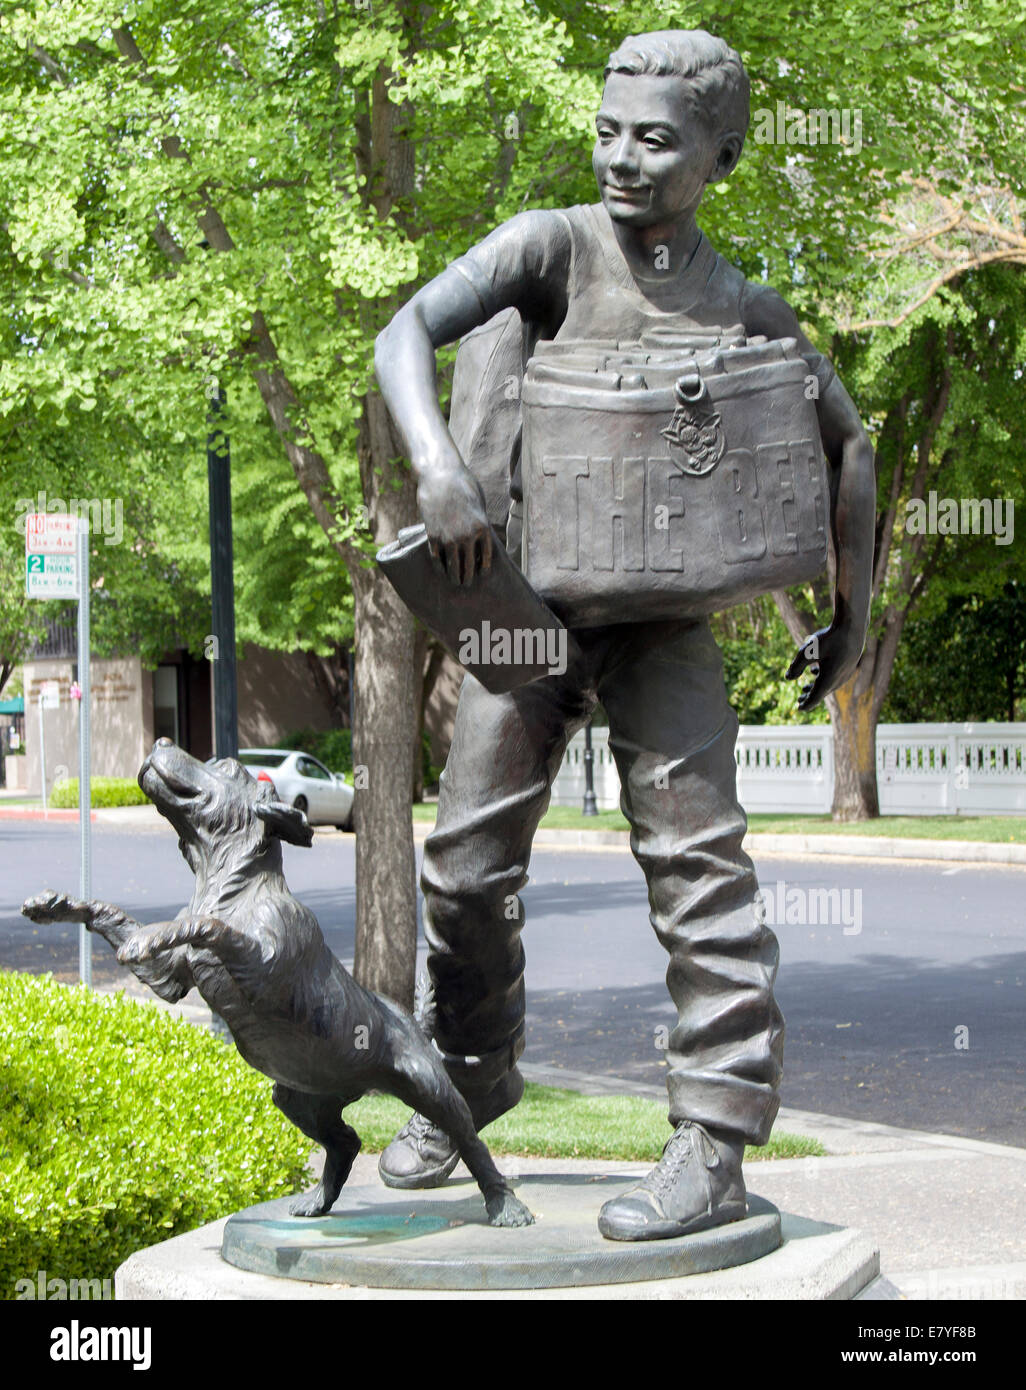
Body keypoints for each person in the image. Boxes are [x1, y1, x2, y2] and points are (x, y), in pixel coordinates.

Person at [373, 28, 874, 1240]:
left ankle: (713, 1139)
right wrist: (436, 461)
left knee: (704, 876)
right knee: (462, 876)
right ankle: (475, 1076)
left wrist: (851, 621)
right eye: (608, 130)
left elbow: (848, 443)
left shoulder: (747, 307)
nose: (623, 158)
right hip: (526, 616)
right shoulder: (552, 247)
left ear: (722, 155)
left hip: (660, 626)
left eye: (657, 139)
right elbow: (404, 332)